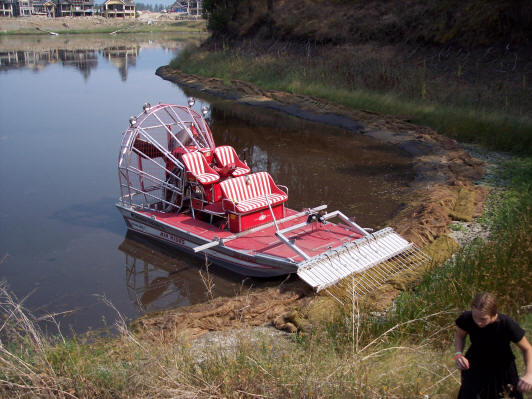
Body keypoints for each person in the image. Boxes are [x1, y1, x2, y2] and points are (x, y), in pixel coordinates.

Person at [454, 292, 532, 398]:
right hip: (475, 365)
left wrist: (529, 374)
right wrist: (458, 354)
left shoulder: (506, 324)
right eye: (475, 316)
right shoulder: (467, 318)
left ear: (494, 314)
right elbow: (459, 336)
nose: (478, 322)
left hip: (503, 370)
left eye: (483, 319)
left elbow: (527, 348)